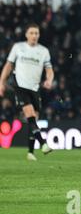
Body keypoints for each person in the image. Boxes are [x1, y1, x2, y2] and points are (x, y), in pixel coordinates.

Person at [0, 23, 54, 160]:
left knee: (34, 119)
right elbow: (8, 65)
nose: (34, 35)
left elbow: (49, 69)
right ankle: (43, 143)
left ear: (39, 35)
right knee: (29, 113)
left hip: (35, 88)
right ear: (26, 34)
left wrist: (49, 80)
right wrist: (1, 82)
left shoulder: (44, 51)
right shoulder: (18, 48)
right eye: (32, 33)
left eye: (36, 33)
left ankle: (30, 152)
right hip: (20, 86)